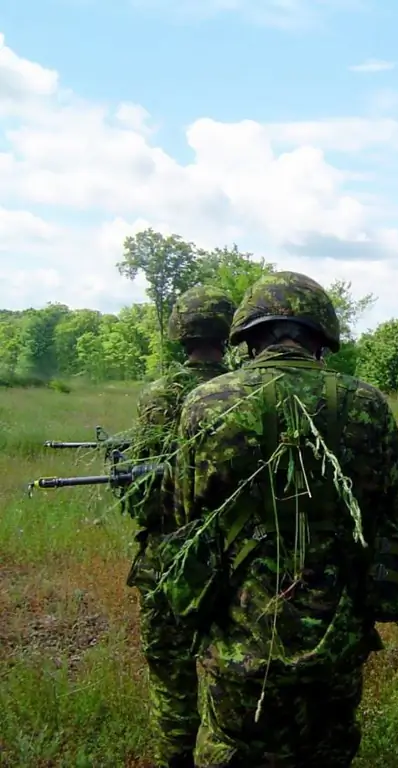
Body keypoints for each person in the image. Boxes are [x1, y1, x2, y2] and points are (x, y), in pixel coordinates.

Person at [166, 271, 398, 768]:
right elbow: (390, 511)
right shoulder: (366, 404)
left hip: (240, 644)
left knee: (230, 751)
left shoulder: (205, 403)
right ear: (321, 337)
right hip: (336, 641)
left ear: (249, 338)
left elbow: (186, 517)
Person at [125, 284, 237, 768]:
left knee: (172, 681)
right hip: (236, 561)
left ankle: (177, 757)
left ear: (179, 333)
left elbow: (146, 502)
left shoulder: (161, 395)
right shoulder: (241, 389)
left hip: (169, 562)